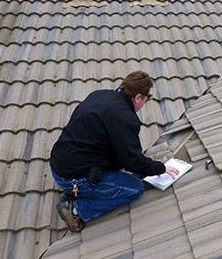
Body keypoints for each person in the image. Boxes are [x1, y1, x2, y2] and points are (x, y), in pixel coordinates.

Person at [50, 71, 179, 232]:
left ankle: (76, 191)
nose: (145, 102)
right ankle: (77, 209)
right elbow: (133, 162)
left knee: (118, 168)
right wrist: (162, 168)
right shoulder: (125, 118)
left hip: (58, 165)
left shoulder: (100, 95)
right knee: (135, 188)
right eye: (147, 98)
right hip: (72, 178)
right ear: (138, 97)